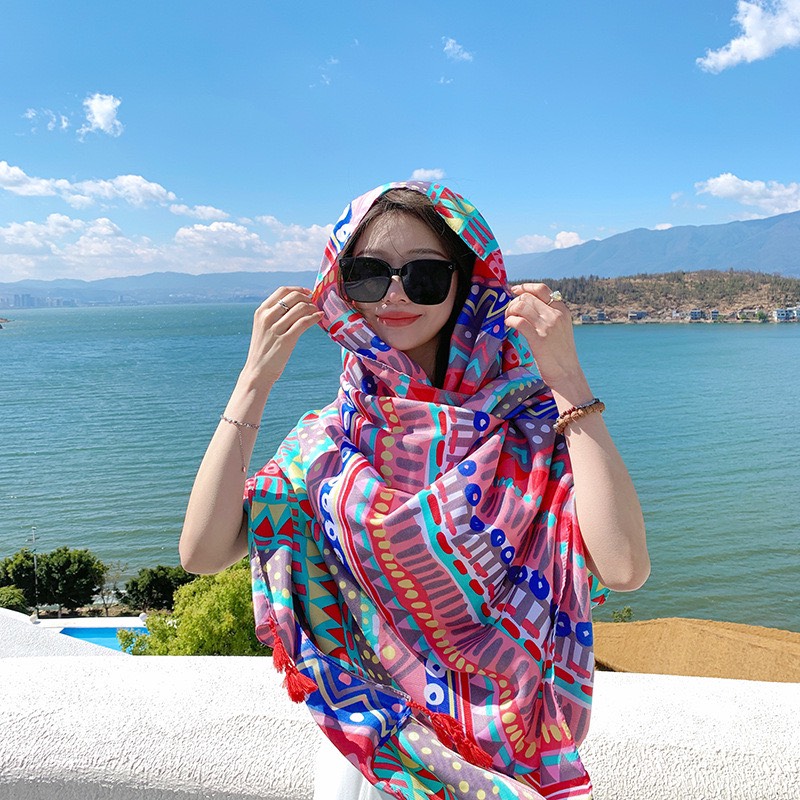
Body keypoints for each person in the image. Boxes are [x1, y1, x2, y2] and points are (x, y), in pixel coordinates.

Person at [179, 181, 649, 800]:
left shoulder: (534, 430)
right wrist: (253, 381)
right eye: (368, 274)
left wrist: (566, 377)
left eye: (424, 275)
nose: (394, 295)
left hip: (507, 764)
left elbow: (623, 566)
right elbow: (203, 552)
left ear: (468, 281)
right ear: (340, 286)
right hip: (374, 763)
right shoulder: (327, 443)